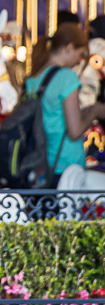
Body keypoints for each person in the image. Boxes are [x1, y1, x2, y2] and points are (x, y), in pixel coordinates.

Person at [26, 22, 105, 190]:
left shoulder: (34, 78)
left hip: (40, 163)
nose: (80, 61)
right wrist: (95, 111)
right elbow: (75, 131)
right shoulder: (66, 77)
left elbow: (54, 115)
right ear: (69, 48)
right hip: (65, 165)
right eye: (81, 54)